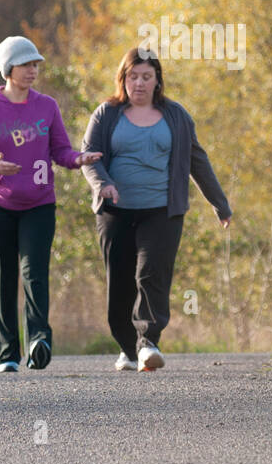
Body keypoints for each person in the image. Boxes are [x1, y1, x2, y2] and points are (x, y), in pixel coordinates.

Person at [81, 48, 232, 371]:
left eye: (146, 76)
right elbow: (90, 156)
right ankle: (127, 347)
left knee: (153, 275)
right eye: (133, 76)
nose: (139, 83)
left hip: (162, 211)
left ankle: (148, 341)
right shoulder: (106, 114)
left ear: (157, 81)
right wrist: (103, 183)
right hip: (115, 211)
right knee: (120, 281)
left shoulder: (176, 116)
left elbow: (197, 160)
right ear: (123, 79)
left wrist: (219, 204)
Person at [0, 36, 101, 372]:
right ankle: (8, 353)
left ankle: (39, 339)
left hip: (39, 204)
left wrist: (79, 158)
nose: (33, 70)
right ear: (8, 69)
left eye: (35, 64)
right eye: (26, 65)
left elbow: (60, 151)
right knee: (6, 276)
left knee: (34, 273)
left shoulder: (47, 106)